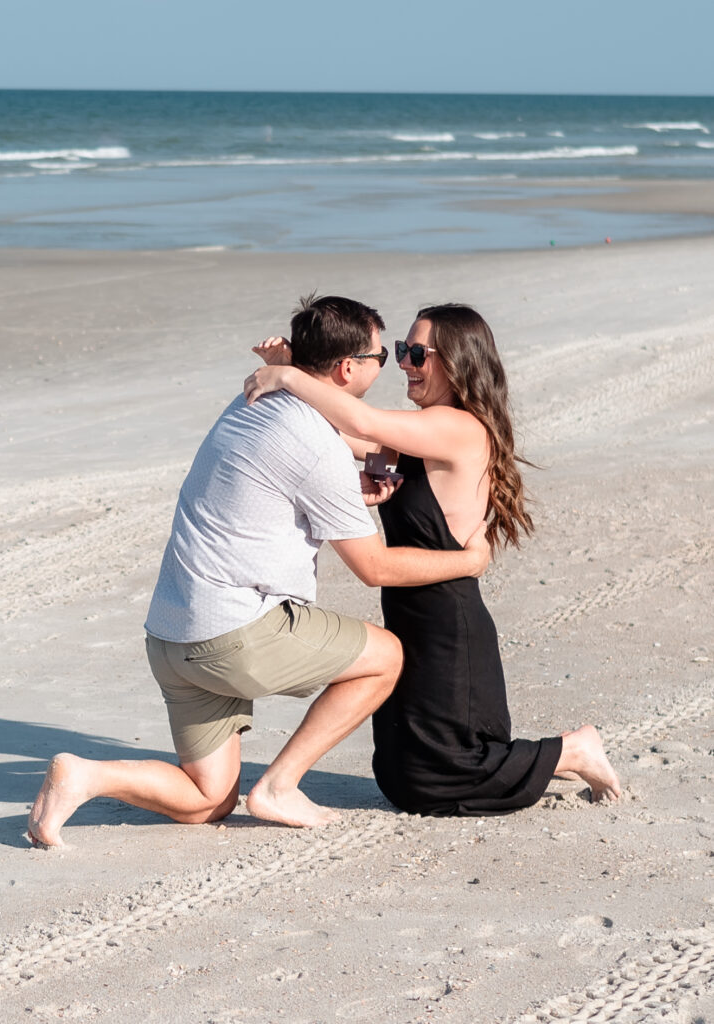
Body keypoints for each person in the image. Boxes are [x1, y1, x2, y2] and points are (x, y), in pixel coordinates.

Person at [27, 296, 490, 847]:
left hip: (172, 636)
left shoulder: (250, 400)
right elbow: (373, 567)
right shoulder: (319, 445)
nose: (391, 366)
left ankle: (86, 776)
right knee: (386, 656)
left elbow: (292, 467)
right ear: (347, 369)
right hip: (233, 636)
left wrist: (348, 485)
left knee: (207, 800)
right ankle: (280, 786)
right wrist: (469, 560)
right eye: (383, 358)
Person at [244, 303, 621, 816]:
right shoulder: (419, 430)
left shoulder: (460, 427)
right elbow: (338, 432)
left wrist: (288, 373)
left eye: (417, 353)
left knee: (448, 773)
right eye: (401, 351)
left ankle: (573, 749)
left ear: (457, 361)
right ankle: (562, 753)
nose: (403, 363)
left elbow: (357, 418)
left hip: (449, 624)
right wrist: (299, 369)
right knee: (404, 776)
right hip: (409, 616)